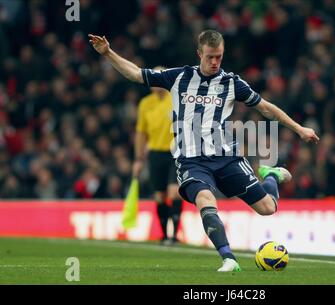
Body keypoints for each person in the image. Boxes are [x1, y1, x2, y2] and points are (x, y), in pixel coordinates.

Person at [88, 30, 319, 272]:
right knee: (205, 200)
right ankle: (228, 258)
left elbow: (266, 108)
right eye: (210, 57)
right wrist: (108, 53)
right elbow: (136, 74)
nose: (214, 62)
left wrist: (298, 128)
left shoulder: (232, 83)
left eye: (219, 57)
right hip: (192, 160)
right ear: (199, 53)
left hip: (227, 158)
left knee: (267, 208)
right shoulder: (178, 77)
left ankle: (271, 175)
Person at [132, 66, 183, 245]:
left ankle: (175, 235)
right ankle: (164, 235)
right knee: (159, 196)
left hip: (175, 153)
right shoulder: (145, 104)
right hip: (155, 153)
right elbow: (140, 133)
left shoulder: (176, 98)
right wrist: (139, 158)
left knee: (174, 192)